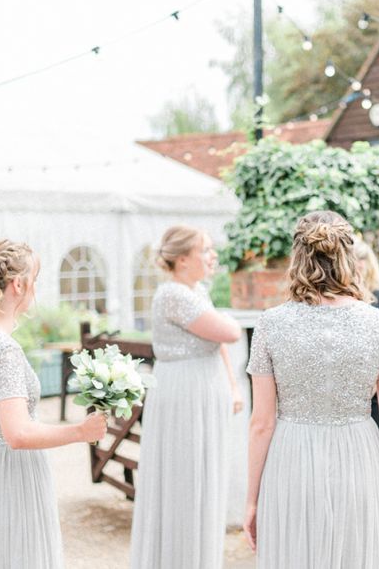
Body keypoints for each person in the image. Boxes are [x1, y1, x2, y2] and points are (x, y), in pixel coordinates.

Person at [243, 210, 379, 567]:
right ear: (349, 257)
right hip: (359, 456)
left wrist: (252, 500)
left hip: (291, 457)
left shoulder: (270, 324)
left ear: (297, 258)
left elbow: (261, 422)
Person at [0, 239, 107, 569]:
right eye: (34, 279)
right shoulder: (4, 352)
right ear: (19, 284)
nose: (35, 288)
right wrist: (82, 430)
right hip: (15, 476)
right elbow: (19, 434)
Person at [130, 226, 243, 569]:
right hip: (184, 394)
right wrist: (229, 319)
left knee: (204, 475)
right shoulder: (173, 294)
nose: (213, 256)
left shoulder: (196, 291)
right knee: (185, 477)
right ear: (182, 260)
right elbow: (229, 332)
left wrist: (233, 387)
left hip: (202, 389)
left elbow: (219, 343)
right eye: (205, 250)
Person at [354, 237, 379, 438]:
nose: (360, 263)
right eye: (355, 258)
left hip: (376, 386)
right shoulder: (344, 301)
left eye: (364, 258)